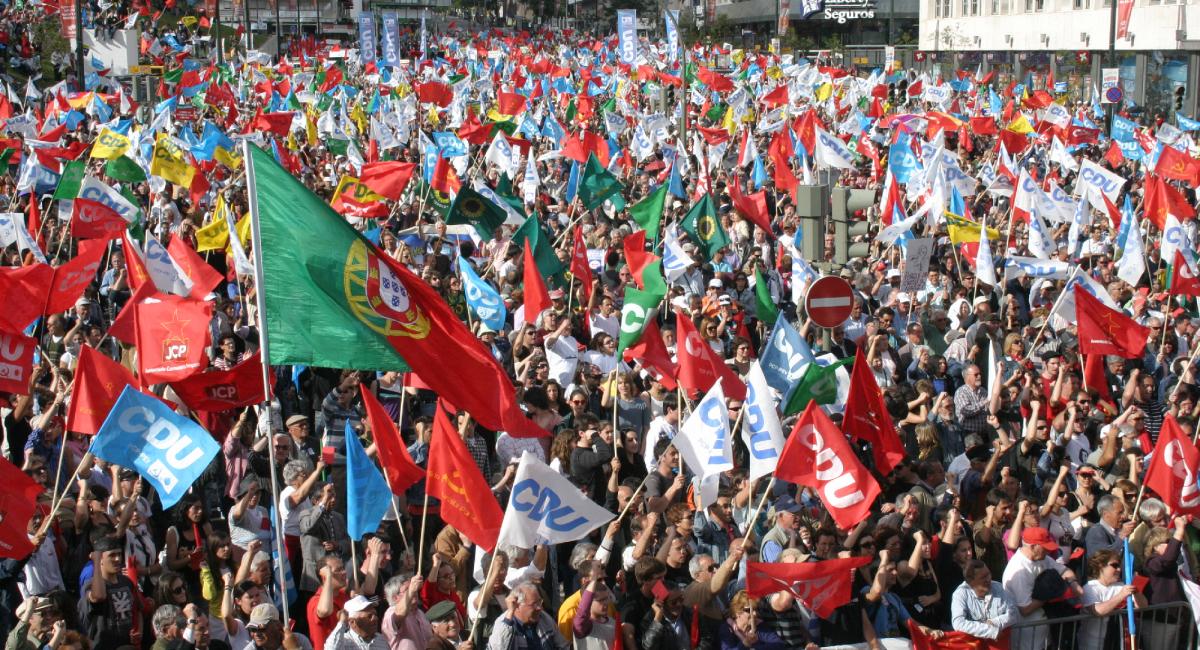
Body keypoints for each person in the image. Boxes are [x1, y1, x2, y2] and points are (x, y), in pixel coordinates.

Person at [485, 582, 567, 650]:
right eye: (534, 604)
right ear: (517, 605)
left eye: (539, 602)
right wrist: (510, 613)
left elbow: (562, 645)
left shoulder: (544, 618)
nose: (539, 608)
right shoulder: (503, 623)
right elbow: (499, 647)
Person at [949, 560, 1017, 642]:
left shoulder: (998, 588)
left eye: (988, 574)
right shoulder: (960, 594)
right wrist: (990, 631)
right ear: (971, 582)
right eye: (983, 577)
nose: (988, 579)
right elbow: (958, 623)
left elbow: (1013, 614)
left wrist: (994, 622)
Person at [325, 595, 389, 649]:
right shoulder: (345, 641)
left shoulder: (381, 640)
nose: (375, 618)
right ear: (352, 622)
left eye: (375, 614)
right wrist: (342, 622)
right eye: (369, 616)